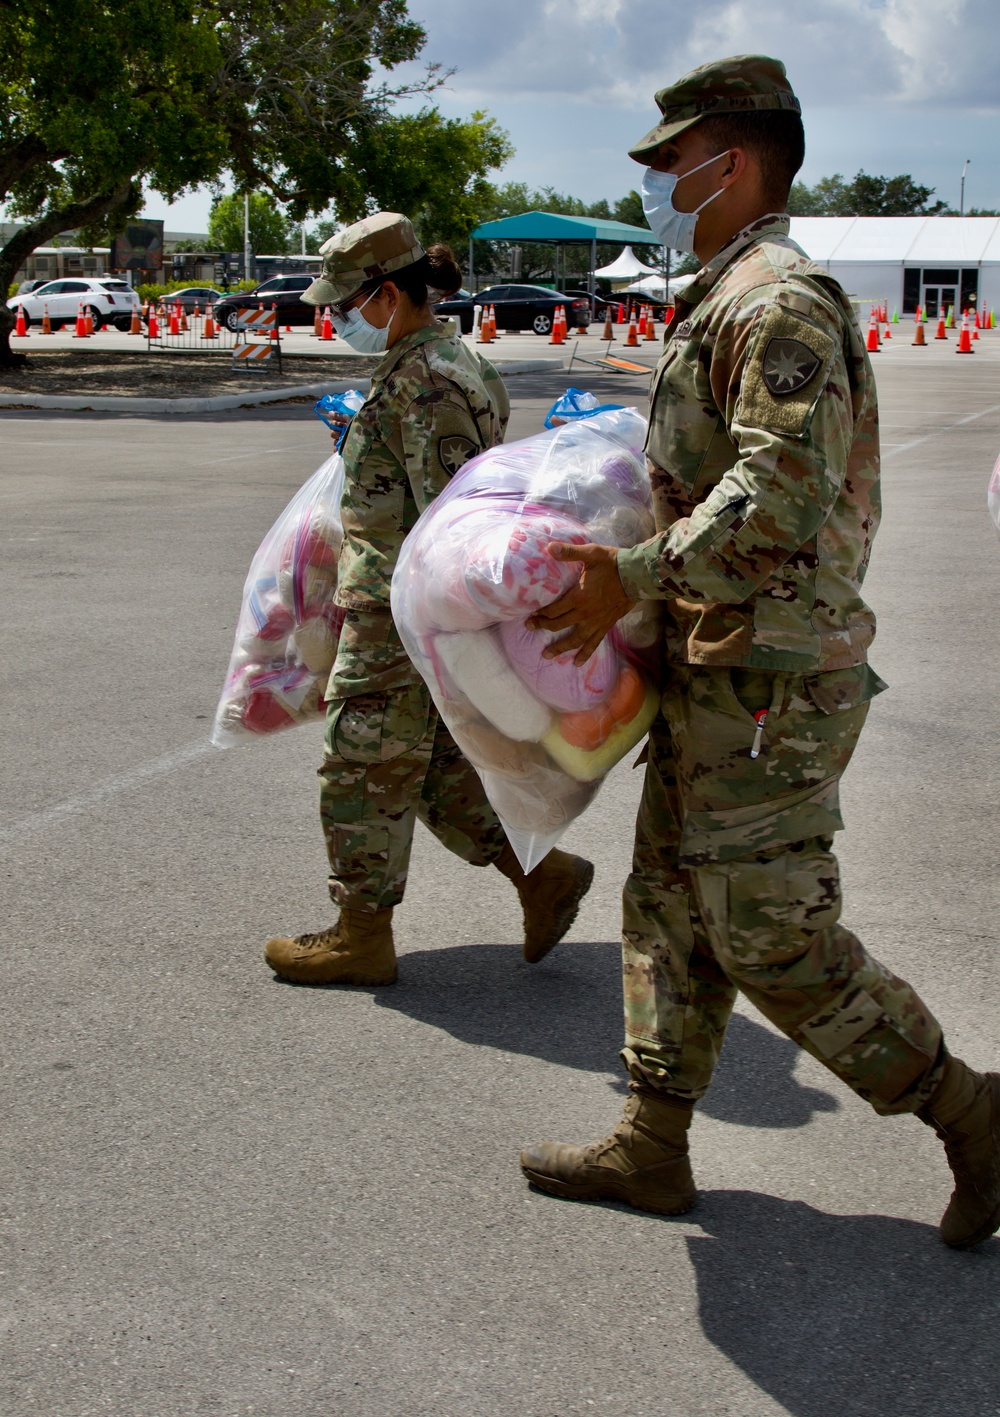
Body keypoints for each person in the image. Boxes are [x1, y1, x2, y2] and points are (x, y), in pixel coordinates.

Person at [518, 58, 1000, 1249]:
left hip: (770, 679)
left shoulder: (776, 301)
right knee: (672, 904)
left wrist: (626, 576)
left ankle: (971, 1113)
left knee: (770, 932)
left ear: (727, 164)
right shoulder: (724, 296)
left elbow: (777, 491)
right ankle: (652, 1140)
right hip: (716, 660)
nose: (653, 186)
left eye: (665, 164)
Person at [263, 212, 593, 987]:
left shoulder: (429, 377)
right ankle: (541, 876)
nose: (332, 316)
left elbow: (458, 515)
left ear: (385, 295)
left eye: (343, 301)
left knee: (358, 763)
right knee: (434, 771)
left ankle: (360, 935)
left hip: (402, 609)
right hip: (407, 605)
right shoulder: (436, 361)